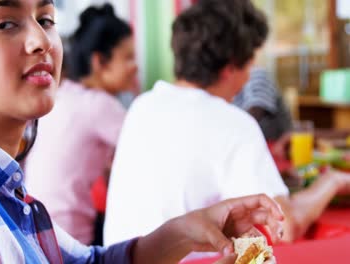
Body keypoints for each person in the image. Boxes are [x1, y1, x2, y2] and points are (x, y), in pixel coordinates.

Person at [0, 0, 284, 263]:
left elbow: (90, 263)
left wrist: (182, 232)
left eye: (46, 19)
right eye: (5, 23)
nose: (41, 40)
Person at [104, 0, 350, 251]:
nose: (250, 74)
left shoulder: (143, 105)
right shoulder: (234, 123)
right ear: (231, 66)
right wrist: (333, 180)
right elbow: (284, 226)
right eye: (250, 62)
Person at [25, 4, 137, 245]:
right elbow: (147, 149)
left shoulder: (63, 95)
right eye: (128, 57)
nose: (134, 67)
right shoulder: (99, 106)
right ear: (99, 62)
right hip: (70, 235)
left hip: (36, 225)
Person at [233, 67, 292, 141]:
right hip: (252, 145)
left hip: (274, 145)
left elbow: (255, 113)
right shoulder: (228, 87)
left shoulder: (257, 75)